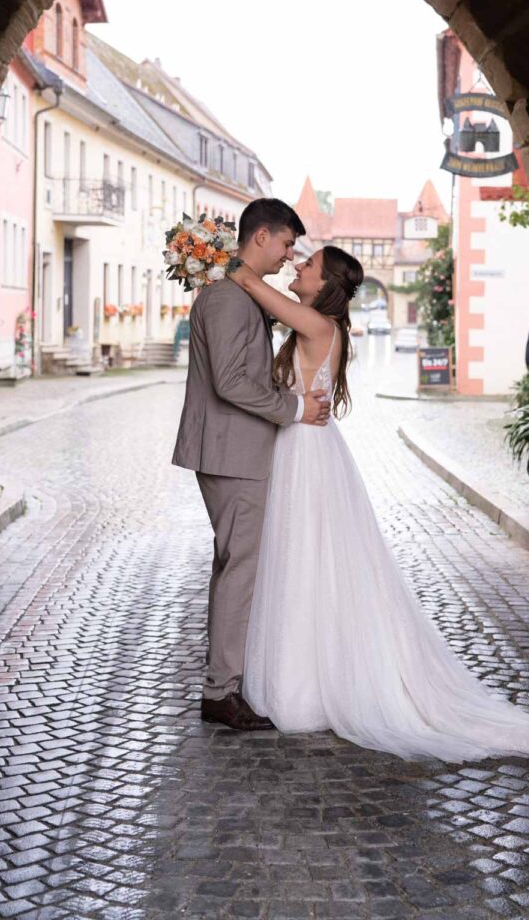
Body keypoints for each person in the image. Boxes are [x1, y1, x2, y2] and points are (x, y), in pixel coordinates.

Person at [227, 248, 529, 761]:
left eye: (307, 264)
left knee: (306, 555)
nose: (296, 266)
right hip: (301, 447)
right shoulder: (319, 322)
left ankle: (305, 684)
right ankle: (300, 674)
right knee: (299, 557)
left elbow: (251, 284)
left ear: (325, 283)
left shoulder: (319, 323)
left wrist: (211, 255)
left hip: (307, 453)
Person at [172, 198, 332, 732]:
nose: (290, 257)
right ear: (261, 236)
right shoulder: (225, 299)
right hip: (231, 451)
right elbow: (230, 382)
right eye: (288, 244)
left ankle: (226, 683)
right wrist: (292, 409)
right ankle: (221, 691)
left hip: (236, 448)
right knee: (239, 570)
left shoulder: (240, 295)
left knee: (236, 566)